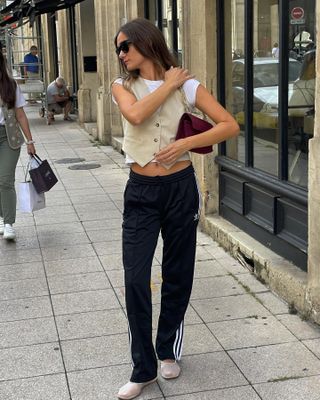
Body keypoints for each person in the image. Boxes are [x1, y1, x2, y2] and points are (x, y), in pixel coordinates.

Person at [112, 18, 240, 400]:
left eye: (126, 46)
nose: (121, 54)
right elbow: (135, 116)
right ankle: (143, 367)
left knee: (177, 271)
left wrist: (186, 145)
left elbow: (229, 125)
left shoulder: (188, 84)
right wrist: (167, 84)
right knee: (136, 277)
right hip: (140, 191)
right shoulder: (122, 86)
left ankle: (167, 349)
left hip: (180, 188)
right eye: (118, 49)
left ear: (145, 43)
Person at [0, 50, 36, 241]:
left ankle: (8, 223)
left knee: (5, 179)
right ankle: (1, 216)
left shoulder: (10, 85)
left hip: (8, 137)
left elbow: (20, 114)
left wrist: (30, 141)